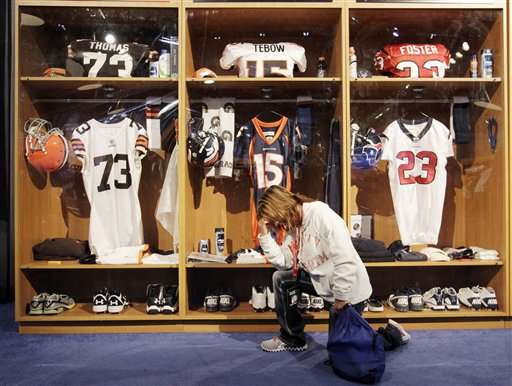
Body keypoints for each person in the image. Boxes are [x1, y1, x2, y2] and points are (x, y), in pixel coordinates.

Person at [256, 185, 408, 352]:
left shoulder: (321, 215)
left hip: (349, 289)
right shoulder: (294, 226)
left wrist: (341, 298)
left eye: (276, 220)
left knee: (345, 352)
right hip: (322, 284)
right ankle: (292, 338)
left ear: (282, 208)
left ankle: (393, 334)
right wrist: (263, 234)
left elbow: (345, 259)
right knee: (281, 278)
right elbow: (283, 262)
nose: (279, 226)